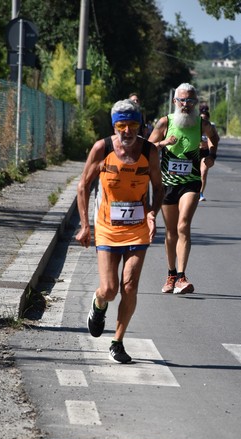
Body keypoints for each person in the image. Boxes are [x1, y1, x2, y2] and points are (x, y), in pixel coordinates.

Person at [76, 99, 164, 363]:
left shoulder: (149, 152)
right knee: (110, 288)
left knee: (130, 285)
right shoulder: (102, 148)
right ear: (114, 126)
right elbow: (83, 186)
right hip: (106, 227)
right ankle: (99, 304)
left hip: (137, 228)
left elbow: (159, 188)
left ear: (141, 125)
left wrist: (151, 213)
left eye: (133, 125)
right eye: (122, 126)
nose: (127, 131)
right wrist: (84, 226)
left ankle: (118, 341)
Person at [148, 83, 219, 294]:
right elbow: (149, 147)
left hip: (191, 182)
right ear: (174, 102)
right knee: (170, 232)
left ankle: (182, 276)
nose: (185, 104)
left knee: (183, 226)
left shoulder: (201, 124)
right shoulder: (165, 122)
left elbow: (214, 138)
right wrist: (163, 144)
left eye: (190, 100)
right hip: (168, 184)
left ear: (195, 103)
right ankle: (171, 275)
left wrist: (211, 155)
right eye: (182, 100)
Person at [199, 106, 220, 202]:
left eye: (205, 119)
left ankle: (200, 194)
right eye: (202, 118)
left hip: (205, 152)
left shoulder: (211, 126)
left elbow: (216, 139)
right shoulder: (194, 126)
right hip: (195, 152)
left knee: (203, 173)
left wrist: (208, 144)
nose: (204, 120)